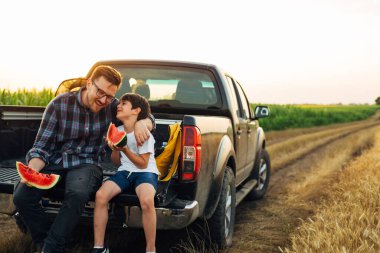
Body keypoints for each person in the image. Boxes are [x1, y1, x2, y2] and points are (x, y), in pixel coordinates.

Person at [13, 65, 154, 253]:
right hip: (55, 160)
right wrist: (32, 171)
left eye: (110, 96)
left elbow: (145, 113)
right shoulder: (59, 105)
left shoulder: (112, 106)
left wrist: (144, 123)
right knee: (21, 196)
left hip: (88, 163)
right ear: (89, 83)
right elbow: (41, 147)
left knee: (78, 193)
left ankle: (52, 248)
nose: (104, 100)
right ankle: (44, 241)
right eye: (100, 92)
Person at [91, 93, 158, 253]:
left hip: (145, 173)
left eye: (124, 103)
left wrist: (125, 149)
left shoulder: (143, 133)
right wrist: (115, 150)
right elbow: (116, 162)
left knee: (147, 201)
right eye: (119, 103)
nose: (118, 106)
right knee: (101, 196)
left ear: (136, 110)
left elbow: (143, 163)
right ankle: (99, 247)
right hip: (124, 172)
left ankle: (151, 249)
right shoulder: (118, 130)